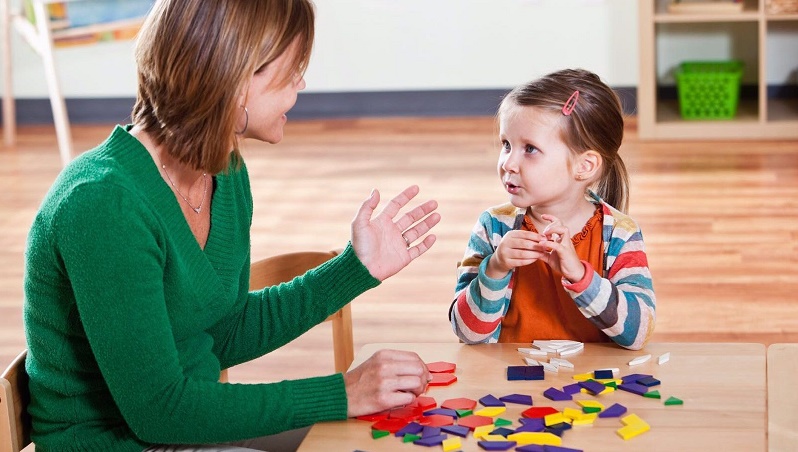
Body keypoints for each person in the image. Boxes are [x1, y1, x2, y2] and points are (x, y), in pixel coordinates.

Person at [23, 1, 441, 451]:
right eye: (292, 70)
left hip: (185, 429)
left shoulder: (224, 171)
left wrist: (354, 268)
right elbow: (161, 411)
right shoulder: (102, 205)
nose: (302, 83)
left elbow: (220, 332)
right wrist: (342, 392)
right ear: (237, 78)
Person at [449, 69, 655, 350]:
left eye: (530, 149)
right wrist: (494, 268)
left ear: (585, 166)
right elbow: (466, 334)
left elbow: (638, 333)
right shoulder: (492, 227)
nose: (508, 163)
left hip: (592, 385)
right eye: (506, 145)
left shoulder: (621, 234)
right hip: (508, 383)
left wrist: (581, 277)